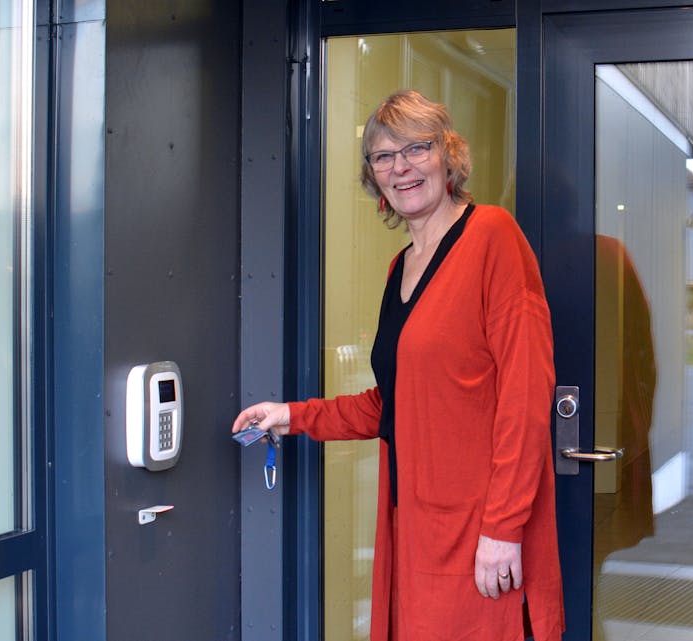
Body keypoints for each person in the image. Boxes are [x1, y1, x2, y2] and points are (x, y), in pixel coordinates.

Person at [232, 90, 564, 640]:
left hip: (479, 531)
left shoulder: (493, 237)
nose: (400, 167)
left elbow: (526, 396)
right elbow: (394, 402)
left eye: (416, 148)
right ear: (373, 176)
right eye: (383, 156)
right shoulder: (400, 267)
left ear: (448, 155)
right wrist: (290, 416)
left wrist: (503, 527)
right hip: (411, 523)